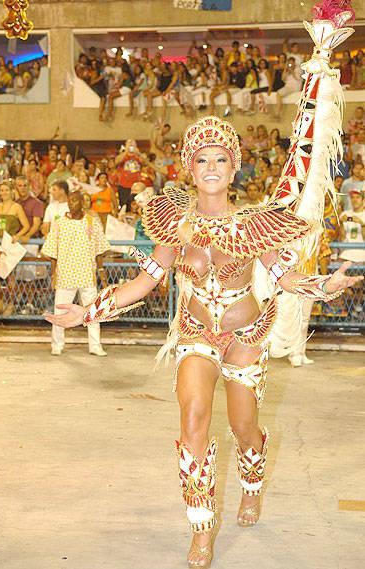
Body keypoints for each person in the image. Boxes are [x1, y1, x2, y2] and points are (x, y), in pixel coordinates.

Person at [45, 114, 361, 569]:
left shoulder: (255, 225)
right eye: (201, 159)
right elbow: (143, 283)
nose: (210, 166)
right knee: (193, 420)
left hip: (246, 338)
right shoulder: (173, 225)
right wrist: (85, 313)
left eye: (220, 159)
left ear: (233, 170)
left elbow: (284, 277)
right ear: (189, 169)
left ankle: (252, 484)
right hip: (196, 335)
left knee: (243, 428)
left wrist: (322, 287)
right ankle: (201, 528)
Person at [41, 188, 111, 357]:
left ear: (82, 203)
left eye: (75, 201)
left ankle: (95, 345)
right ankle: (57, 344)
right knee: (60, 312)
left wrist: (101, 270)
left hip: (87, 274)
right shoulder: (60, 223)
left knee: (93, 311)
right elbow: (52, 252)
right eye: (70, 201)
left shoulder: (91, 222)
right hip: (65, 274)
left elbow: (100, 249)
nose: (72, 204)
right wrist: (53, 273)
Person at [0, 180, 30, 316]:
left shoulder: (17, 207)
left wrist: (18, 235)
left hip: (9, 245)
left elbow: (26, 226)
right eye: (2, 190)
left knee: (10, 275)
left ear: (12, 191)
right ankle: (0, 301)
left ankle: (10, 304)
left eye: (6, 190)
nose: (3, 192)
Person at [339, 189, 365, 263]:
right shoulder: (345, 214)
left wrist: (362, 224)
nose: (354, 200)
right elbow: (342, 238)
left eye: (357, 197)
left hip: (362, 254)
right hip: (346, 253)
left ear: (363, 200)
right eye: (352, 197)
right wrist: (341, 223)